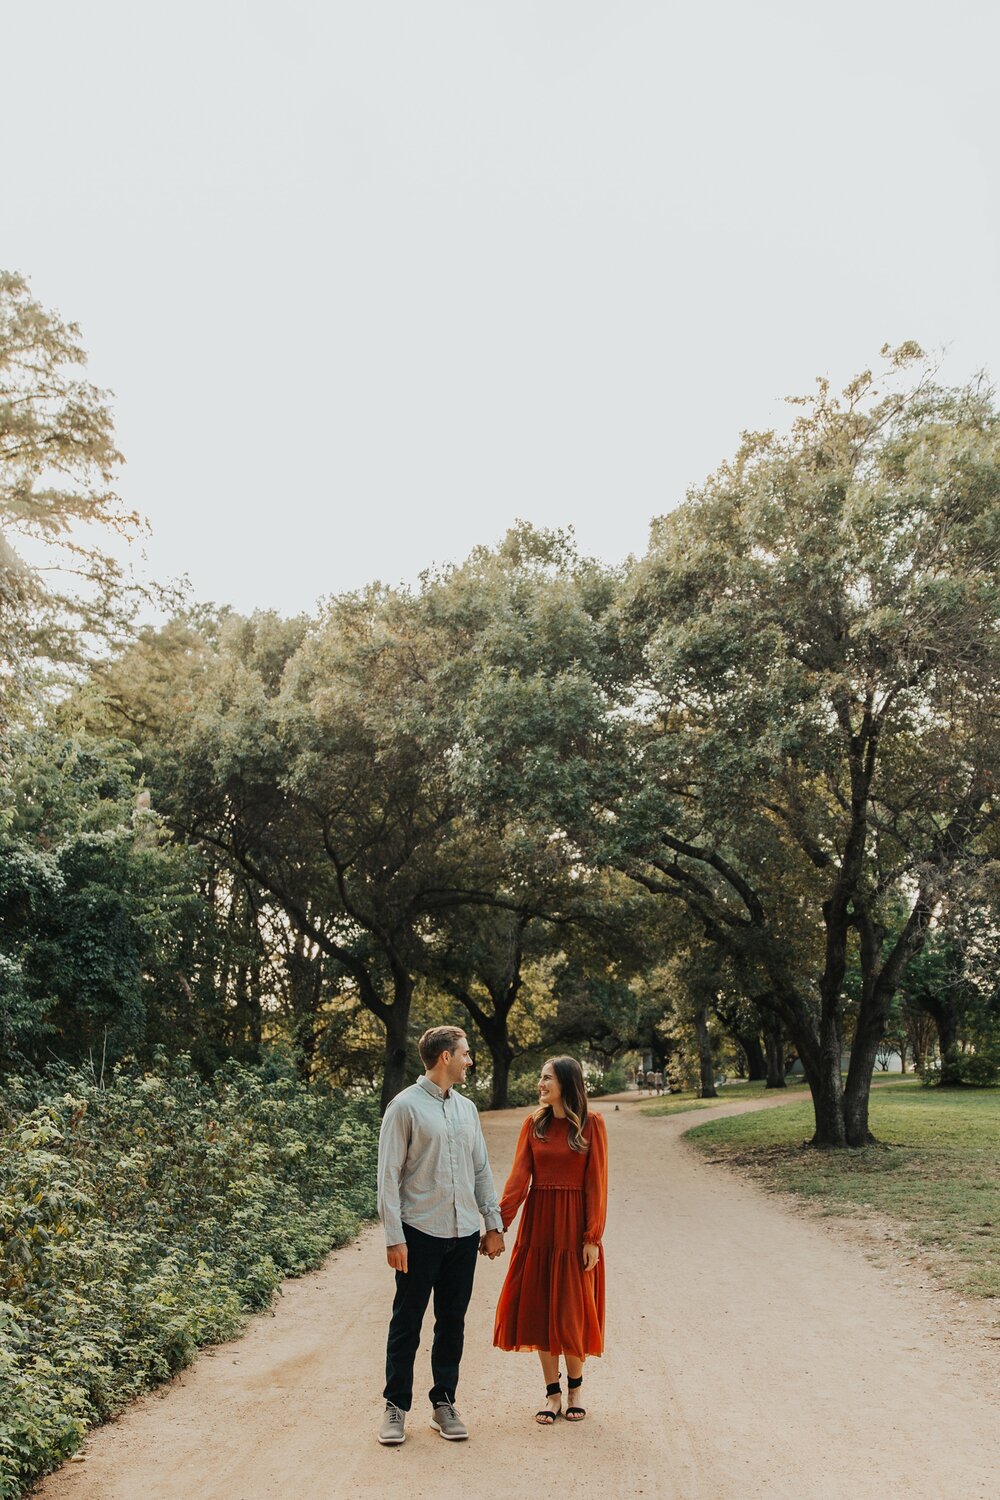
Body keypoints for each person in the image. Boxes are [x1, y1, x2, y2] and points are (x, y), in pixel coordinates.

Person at [376, 1025, 506, 1446]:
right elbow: (388, 1176)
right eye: (465, 1054)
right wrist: (394, 1237)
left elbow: (481, 1169)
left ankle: (444, 1402)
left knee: (452, 1322)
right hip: (419, 1234)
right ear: (445, 1057)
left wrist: (492, 1223)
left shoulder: (467, 1109)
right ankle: (395, 1407)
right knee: (407, 1323)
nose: (470, 1060)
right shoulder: (404, 1108)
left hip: (464, 1233)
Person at [492, 1055, 607, 1424]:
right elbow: (517, 1180)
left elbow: (597, 1185)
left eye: (547, 1079)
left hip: (573, 1229)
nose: (540, 1084)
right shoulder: (533, 1124)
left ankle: (576, 1388)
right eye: (540, 1078)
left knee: (572, 1309)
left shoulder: (592, 1125)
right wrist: (499, 1225)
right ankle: (552, 1394)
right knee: (541, 1308)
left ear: (567, 1084)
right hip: (539, 1227)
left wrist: (592, 1236)